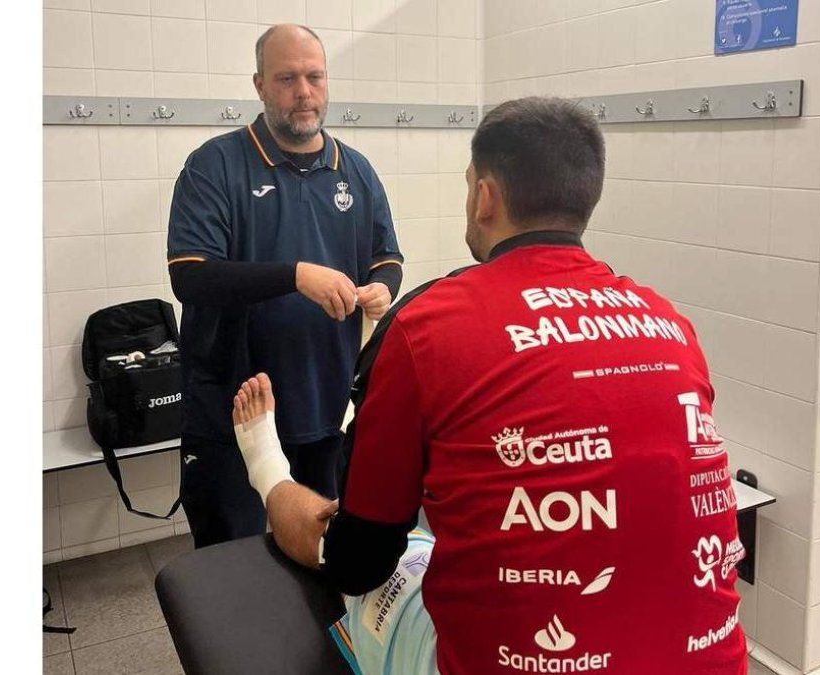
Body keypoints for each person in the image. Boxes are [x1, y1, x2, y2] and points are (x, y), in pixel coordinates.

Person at [233, 97, 748, 674]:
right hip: (712, 662)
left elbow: (359, 563)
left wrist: (269, 466)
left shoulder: (428, 326)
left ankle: (265, 466)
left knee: (395, 561)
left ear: (484, 197)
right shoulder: (668, 322)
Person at [166, 23, 403, 548]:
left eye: (315, 77)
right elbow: (190, 275)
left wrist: (382, 288)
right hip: (233, 403)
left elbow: (387, 258)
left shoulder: (356, 171)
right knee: (232, 556)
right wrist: (295, 275)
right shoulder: (214, 166)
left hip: (323, 398)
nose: (304, 92)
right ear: (259, 85)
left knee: (321, 547)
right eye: (287, 78)